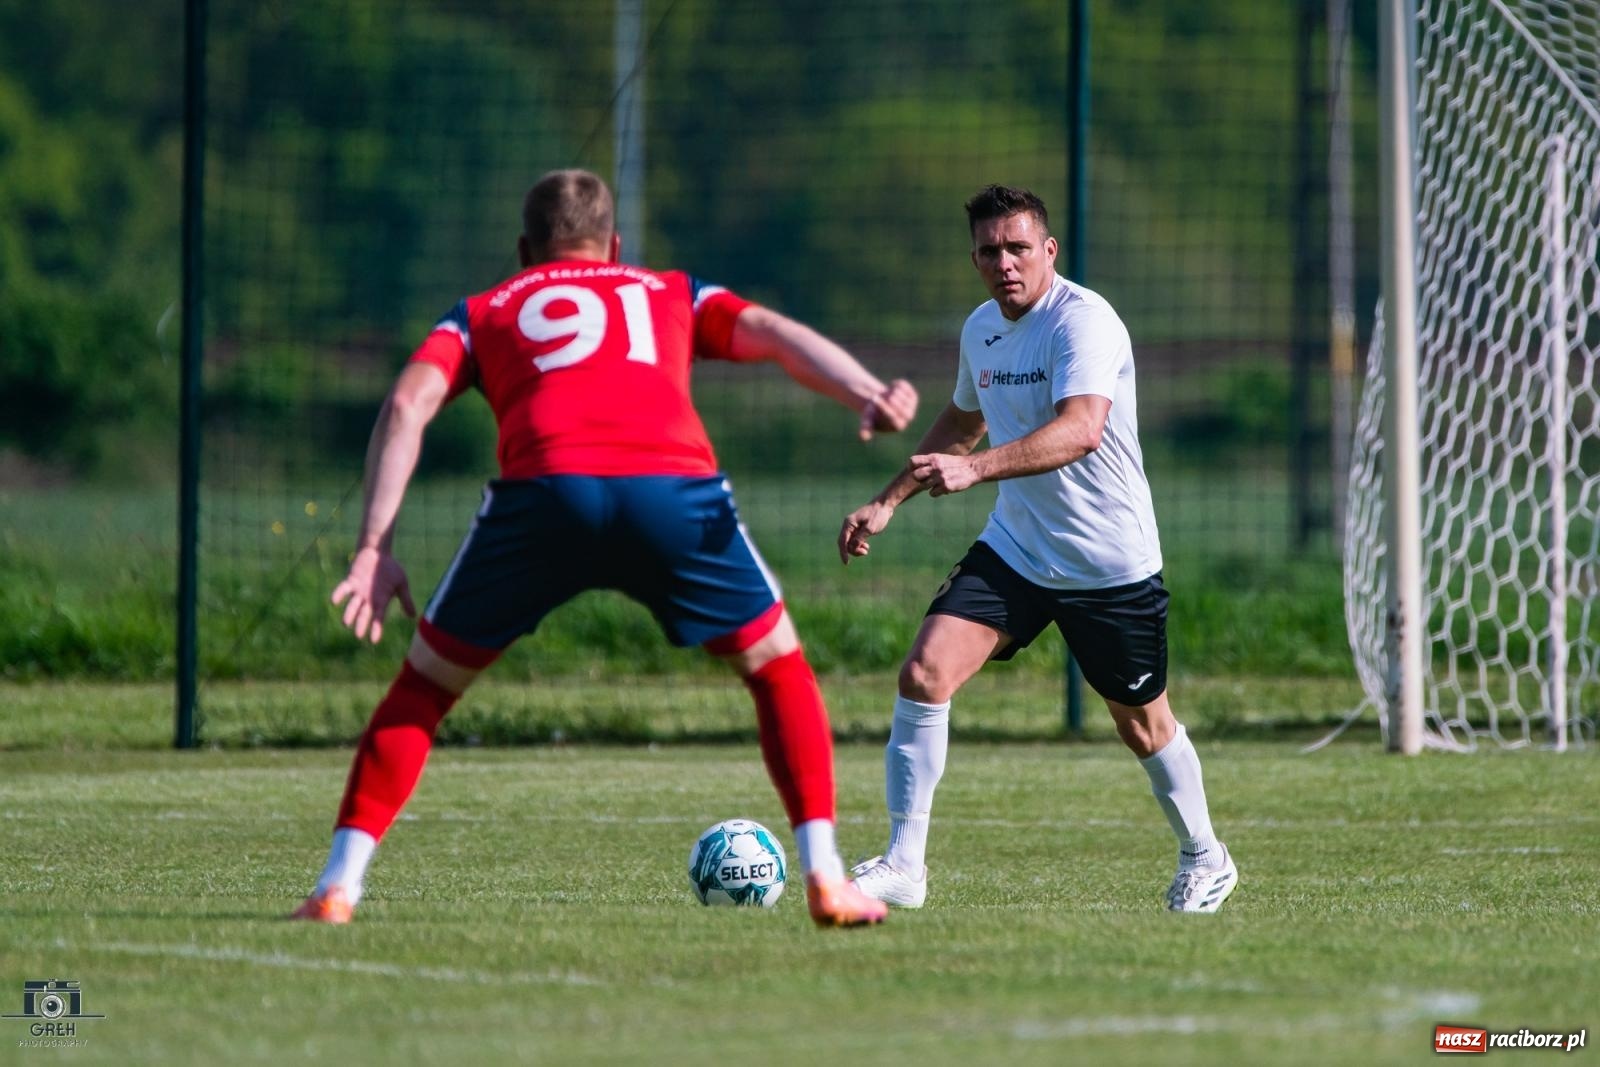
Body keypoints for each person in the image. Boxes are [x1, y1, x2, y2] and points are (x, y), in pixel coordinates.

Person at [291, 168, 917, 928]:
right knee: (777, 667)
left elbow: (406, 403)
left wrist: (373, 547)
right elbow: (776, 336)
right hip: (670, 494)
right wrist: (865, 393)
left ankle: (337, 886)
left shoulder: (482, 311)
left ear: (525, 251)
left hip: (544, 495)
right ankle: (826, 875)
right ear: (615, 245)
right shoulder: (670, 291)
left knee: (423, 690)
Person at [836, 184, 1237, 914]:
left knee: (1143, 722)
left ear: (1048, 250)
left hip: (1108, 562)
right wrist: (887, 499)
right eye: (989, 251)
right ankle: (903, 863)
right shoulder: (981, 329)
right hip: (1019, 548)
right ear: (975, 260)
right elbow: (962, 423)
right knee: (925, 671)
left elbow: (1080, 428)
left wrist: (976, 470)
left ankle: (1206, 853)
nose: (1005, 263)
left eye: (1019, 247)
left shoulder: (1085, 323)